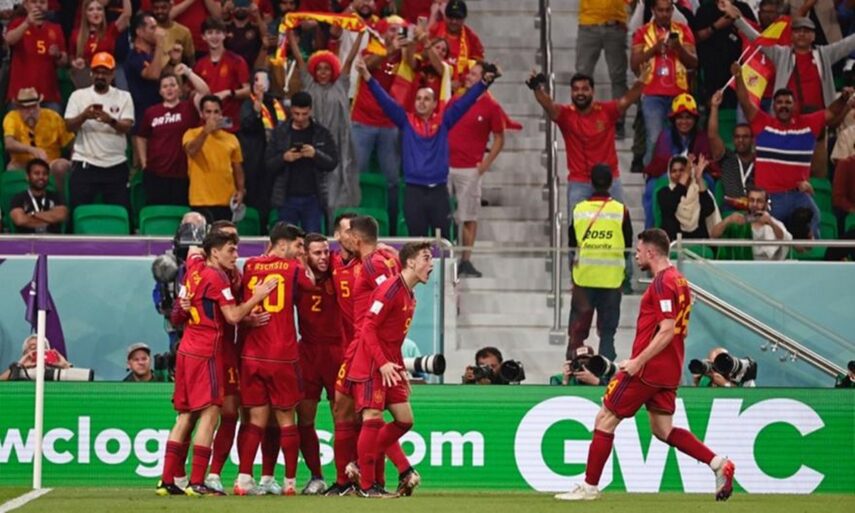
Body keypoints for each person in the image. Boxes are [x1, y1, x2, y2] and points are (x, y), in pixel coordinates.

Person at [555, 228, 736, 502]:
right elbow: (682, 329)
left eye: (639, 251)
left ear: (651, 252)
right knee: (663, 429)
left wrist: (638, 361)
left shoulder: (663, 283)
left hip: (647, 369)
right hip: (670, 368)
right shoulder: (680, 281)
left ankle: (589, 487)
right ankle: (718, 463)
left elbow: (667, 329)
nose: (636, 255)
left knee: (605, 418)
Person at [156, 230, 277, 497]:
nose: (236, 255)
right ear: (214, 252)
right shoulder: (217, 276)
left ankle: (167, 480)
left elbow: (179, 311)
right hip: (207, 350)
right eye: (230, 250)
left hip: (186, 349)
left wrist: (182, 305)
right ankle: (197, 481)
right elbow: (232, 316)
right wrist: (257, 297)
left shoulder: (194, 270)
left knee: (186, 415)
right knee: (211, 413)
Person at [355, 55, 497, 238]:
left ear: (435, 104)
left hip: (439, 192)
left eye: (427, 99)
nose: (421, 102)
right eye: (418, 99)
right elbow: (384, 100)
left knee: (443, 241)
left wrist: (484, 83)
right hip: (413, 191)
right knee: (417, 241)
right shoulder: (405, 121)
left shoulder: (444, 121)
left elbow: (465, 101)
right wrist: (367, 76)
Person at [346, 241, 432, 498]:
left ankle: (359, 464)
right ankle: (366, 486)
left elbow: (393, 339)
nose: (431, 265)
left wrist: (400, 370)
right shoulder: (389, 289)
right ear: (411, 262)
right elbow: (368, 328)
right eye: (426, 258)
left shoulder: (410, 295)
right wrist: (383, 363)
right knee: (372, 417)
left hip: (389, 364)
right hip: (372, 363)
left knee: (405, 420)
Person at [732, 61, 852, 235]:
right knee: (768, 235)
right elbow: (744, 101)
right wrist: (738, 76)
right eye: (779, 102)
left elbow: (831, 113)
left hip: (797, 195)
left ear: (794, 106)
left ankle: (806, 248)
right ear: (774, 106)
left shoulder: (807, 125)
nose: (784, 106)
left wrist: (843, 98)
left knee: (815, 220)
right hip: (770, 198)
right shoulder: (762, 123)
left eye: (788, 102)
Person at [233, 223, 305, 496]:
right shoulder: (293, 268)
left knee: (255, 419)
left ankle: (243, 479)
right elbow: (311, 287)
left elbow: (242, 306)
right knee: (286, 419)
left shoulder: (250, 265)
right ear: (282, 244)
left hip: (252, 355)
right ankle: (289, 483)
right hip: (282, 355)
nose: (300, 251)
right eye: (298, 245)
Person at [529, 70, 643, 216]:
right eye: (576, 89)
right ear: (571, 93)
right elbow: (548, 105)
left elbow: (627, 100)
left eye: (584, 89)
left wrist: (642, 81)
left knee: (619, 225)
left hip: (610, 181)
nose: (580, 93)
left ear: (592, 91)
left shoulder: (606, 111)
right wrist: (537, 88)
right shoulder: (565, 115)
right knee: (576, 228)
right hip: (579, 182)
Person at [447, 61, 513, 278]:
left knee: (468, 216)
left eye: (474, 74)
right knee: (444, 215)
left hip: (470, 170)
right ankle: (444, 258)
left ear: (485, 79)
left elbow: (499, 138)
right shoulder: (456, 100)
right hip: (445, 167)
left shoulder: (491, 107)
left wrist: (485, 165)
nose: (468, 77)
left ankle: (466, 260)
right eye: (470, 73)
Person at [290, 29, 364, 214]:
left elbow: (349, 60)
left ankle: (332, 226)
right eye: (319, 69)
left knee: (333, 195)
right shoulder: (309, 85)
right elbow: (298, 58)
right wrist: (289, 30)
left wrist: (361, 35)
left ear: (333, 71)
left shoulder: (341, 85)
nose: (323, 72)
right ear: (314, 71)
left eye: (327, 69)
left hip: (336, 144)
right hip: (312, 144)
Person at [567, 164, 632, 362]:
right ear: (611, 183)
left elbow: (572, 244)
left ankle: (572, 367)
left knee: (577, 333)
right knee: (607, 333)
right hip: (611, 281)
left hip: (584, 278)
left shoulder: (579, 210)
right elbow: (628, 245)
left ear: (591, 183)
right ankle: (605, 371)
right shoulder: (621, 211)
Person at [350, 16, 407, 232]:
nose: (396, 34)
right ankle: (355, 223)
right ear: (383, 33)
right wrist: (389, 50)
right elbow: (364, 67)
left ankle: (391, 225)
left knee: (392, 178)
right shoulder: (372, 50)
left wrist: (407, 48)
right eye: (392, 30)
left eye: (400, 30)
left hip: (390, 123)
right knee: (358, 175)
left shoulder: (406, 56)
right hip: (363, 120)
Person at [294, 233, 341, 494]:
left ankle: (345, 477)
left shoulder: (339, 272)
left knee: (342, 418)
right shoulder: (296, 278)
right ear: (305, 255)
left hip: (337, 352)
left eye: (326, 252)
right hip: (308, 354)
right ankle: (316, 476)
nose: (324, 257)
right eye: (317, 253)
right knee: (304, 418)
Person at [64, 52, 135, 218]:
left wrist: (110, 120)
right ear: (91, 73)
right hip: (86, 162)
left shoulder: (124, 97)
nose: (101, 76)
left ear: (112, 74)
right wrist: (84, 116)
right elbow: (68, 126)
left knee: (122, 214)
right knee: (77, 213)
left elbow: (127, 127)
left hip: (115, 163)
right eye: (97, 72)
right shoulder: (78, 96)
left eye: (105, 72)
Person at [631, 0, 698, 166]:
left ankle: (678, 177)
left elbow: (694, 63)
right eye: (660, 10)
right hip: (652, 94)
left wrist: (679, 49)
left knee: (680, 141)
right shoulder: (642, 32)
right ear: (653, 10)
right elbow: (634, 65)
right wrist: (654, 49)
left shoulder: (683, 30)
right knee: (655, 139)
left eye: (668, 10)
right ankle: (652, 177)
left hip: (679, 95)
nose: (664, 14)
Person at [265, 91, 339, 232]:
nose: (300, 118)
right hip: (286, 197)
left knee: (313, 239)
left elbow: (332, 162)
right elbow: (268, 164)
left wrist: (315, 154)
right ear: (291, 110)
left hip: (313, 197)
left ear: (310, 110)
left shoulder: (321, 132)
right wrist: (284, 158)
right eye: (296, 114)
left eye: (304, 114)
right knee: (287, 238)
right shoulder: (280, 133)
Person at [137, 67, 210, 206]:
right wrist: (144, 163)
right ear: (160, 91)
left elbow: (204, 91)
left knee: (180, 213)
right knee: (157, 213)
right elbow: (141, 137)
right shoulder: (151, 112)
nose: (169, 89)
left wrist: (188, 72)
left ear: (180, 89)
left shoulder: (189, 108)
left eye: (172, 85)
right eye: (165, 86)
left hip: (183, 174)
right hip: (156, 174)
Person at [643, 93, 715, 227]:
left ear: (695, 119)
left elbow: (705, 161)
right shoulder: (665, 135)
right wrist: (681, 169)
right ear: (673, 119)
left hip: (695, 174)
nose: (684, 122)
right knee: (652, 187)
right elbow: (661, 163)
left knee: (709, 182)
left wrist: (691, 169)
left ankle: (711, 229)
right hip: (670, 173)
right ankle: (650, 230)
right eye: (680, 118)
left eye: (688, 118)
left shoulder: (701, 137)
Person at [183, 94, 246, 222]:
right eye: (208, 112)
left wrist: (241, 190)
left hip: (226, 201)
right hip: (201, 201)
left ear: (221, 114)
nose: (212, 116)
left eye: (216, 112)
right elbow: (191, 151)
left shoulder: (232, 139)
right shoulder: (191, 134)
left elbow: (238, 168)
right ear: (202, 114)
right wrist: (206, 131)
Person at [238, 68, 287, 221]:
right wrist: (257, 108)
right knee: (258, 199)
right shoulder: (248, 104)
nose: (260, 85)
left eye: (264, 80)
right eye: (257, 80)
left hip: (276, 158)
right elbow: (247, 125)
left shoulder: (276, 104)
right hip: (257, 159)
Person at [575, 0, 629, 136]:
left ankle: (618, 122)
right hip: (588, 24)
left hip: (615, 25)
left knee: (618, 78)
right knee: (582, 77)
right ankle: (582, 119)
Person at [3, 87, 73, 188]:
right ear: (19, 108)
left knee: (61, 165)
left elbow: (71, 143)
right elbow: (9, 143)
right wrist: (31, 150)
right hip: (23, 164)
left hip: (49, 163)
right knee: (11, 168)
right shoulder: (12, 117)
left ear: (39, 105)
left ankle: (60, 197)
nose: (31, 112)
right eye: (26, 108)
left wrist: (74, 160)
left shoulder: (53, 117)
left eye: (34, 107)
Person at [4, 0, 67, 112]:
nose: (38, 5)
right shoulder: (17, 23)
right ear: (25, 5)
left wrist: (58, 55)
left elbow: (64, 61)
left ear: (47, 5)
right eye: (34, 2)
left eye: (42, 2)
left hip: (49, 95)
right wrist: (27, 23)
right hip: (20, 95)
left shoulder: (56, 28)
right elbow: (9, 40)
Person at [691, 0, 756, 105]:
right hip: (712, 70)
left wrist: (740, 22)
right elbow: (697, 37)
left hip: (739, 70)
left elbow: (755, 36)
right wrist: (716, 26)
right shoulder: (705, 9)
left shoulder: (743, 8)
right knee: (714, 104)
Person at [194, 17, 250, 132]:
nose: (214, 37)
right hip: (205, 125)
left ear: (225, 35)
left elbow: (248, 91)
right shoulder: (200, 64)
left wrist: (228, 93)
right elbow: (192, 92)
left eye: (218, 32)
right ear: (203, 37)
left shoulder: (237, 61)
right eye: (210, 33)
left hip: (229, 124)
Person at [711, 187, 793, 260]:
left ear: (766, 204)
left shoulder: (772, 222)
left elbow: (784, 239)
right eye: (751, 200)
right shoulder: (737, 221)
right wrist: (727, 220)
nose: (754, 204)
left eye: (759, 201)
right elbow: (713, 235)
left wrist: (771, 223)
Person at [709, 90, 755, 211]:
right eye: (737, 137)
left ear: (752, 140)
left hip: (755, 208)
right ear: (733, 139)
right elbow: (712, 136)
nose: (741, 140)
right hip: (731, 210)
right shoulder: (727, 157)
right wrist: (714, 107)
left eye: (745, 137)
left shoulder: (760, 161)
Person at [657, 155, 718, 241]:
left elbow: (708, 210)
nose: (678, 174)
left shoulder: (698, 190)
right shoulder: (664, 192)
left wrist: (699, 178)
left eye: (682, 170)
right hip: (674, 243)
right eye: (674, 171)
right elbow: (670, 206)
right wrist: (685, 176)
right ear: (669, 174)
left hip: (699, 242)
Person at [126, 11, 168, 132]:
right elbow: (153, 75)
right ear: (139, 32)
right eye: (152, 28)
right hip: (142, 114)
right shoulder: (134, 56)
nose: (157, 32)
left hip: (158, 110)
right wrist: (160, 44)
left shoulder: (151, 55)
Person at [428, 0, 484, 87]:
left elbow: (478, 67)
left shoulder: (472, 38)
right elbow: (422, 54)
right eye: (451, 17)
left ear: (464, 18)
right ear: (445, 17)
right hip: (432, 82)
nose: (454, 21)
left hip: (459, 87)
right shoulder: (435, 30)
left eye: (458, 18)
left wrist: (461, 81)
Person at [9, 158, 68, 234]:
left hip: (52, 238)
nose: (41, 177)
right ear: (27, 177)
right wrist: (50, 219)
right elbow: (19, 220)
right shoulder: (18, 198)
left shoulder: (56, 196)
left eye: (45, 174)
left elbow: (61, 215)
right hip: (26, 239)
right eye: (37, 173)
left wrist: (33, 214)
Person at [0, 335, 71, 381]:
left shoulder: (58, 373)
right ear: (25, 354)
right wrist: (20, 365)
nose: (38, 350)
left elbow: (76, 379)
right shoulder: (16, 372)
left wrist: (65, 365)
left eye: (42, 348)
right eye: (33, 348)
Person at [150, 0, 196, 68]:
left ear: (171, 7)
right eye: (156, 8)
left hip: (176, 72)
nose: (160, 11)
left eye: (163, 7)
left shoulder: (184, 32)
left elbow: (191, 61)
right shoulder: (148, 31)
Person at [225, 0, 266, 70]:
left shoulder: (256, 28)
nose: (240, 8)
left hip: (251, 70)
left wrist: (257, 14)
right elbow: (215, 27)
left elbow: (266, 36)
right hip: (230, 70)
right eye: (237, 5)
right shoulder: (226, 27)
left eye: (244, 5)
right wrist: (225, 11)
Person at [549, 345, 615, 386]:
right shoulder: (558, 379)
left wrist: (597, 382)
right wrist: (565, 381)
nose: (583, 366)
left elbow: (613, 395)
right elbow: (555, 400)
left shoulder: (604, 377)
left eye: (587, 362)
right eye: (579, 362)